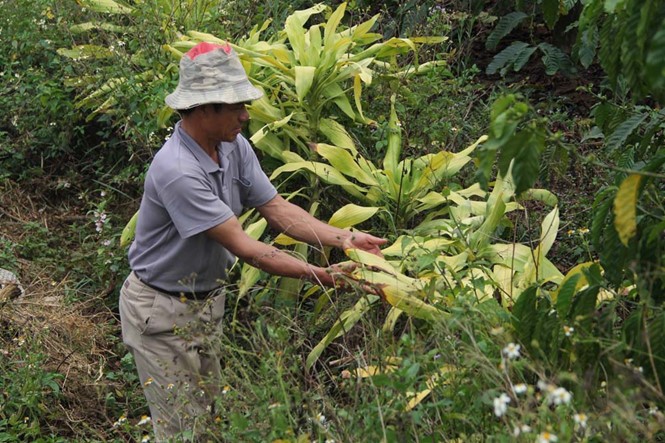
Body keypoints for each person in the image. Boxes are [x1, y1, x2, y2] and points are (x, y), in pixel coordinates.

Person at [118, 41, 386, 441]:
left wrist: (346, 239)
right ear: (205, 107)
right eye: (236, 105)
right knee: (182, 432)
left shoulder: (232, 146)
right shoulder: (177, 170)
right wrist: (323, 275)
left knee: (210, 423)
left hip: (205, 301)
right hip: (161, 312)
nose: (245, 115)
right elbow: (249, 248)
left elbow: (277, 210)